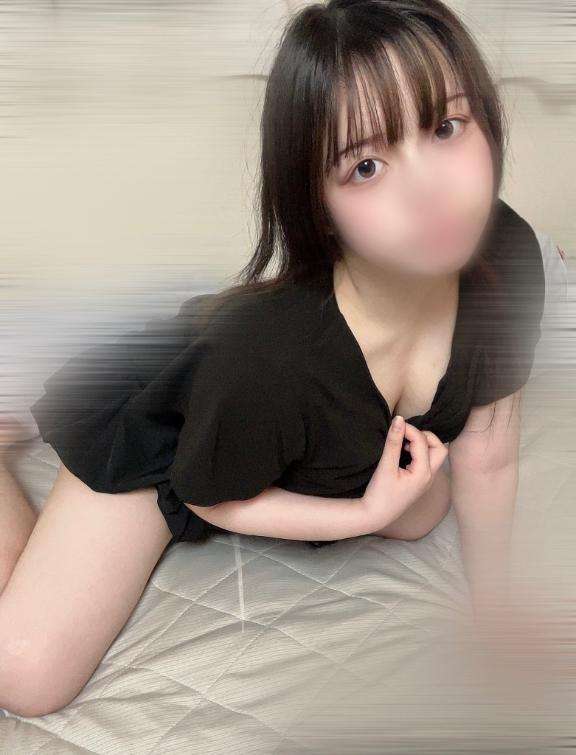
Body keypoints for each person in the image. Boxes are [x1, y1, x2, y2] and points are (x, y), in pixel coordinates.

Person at [0, 0, 550, 718]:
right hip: (177, 428)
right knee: (25, 677)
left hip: (293, 420)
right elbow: (205, 494)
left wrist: (494, 611)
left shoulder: (507, 253)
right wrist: (362, 514)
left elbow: (489, 445)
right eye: (367, 166)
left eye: (446, 127)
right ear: (316, 205)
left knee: (423, 510)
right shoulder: (269, 361)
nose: (431, 191)